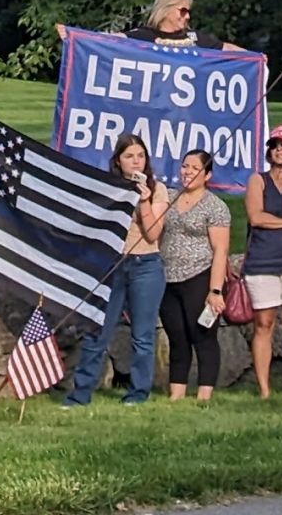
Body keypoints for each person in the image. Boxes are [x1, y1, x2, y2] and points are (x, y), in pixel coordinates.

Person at [62, 135, 168, 408]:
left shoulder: (158, 190)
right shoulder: (109, 188)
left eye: (141, 156)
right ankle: (80, 395)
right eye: (130, 156)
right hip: (112, 266)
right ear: (118, 161)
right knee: (97, 332)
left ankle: (137, 394)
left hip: (146, 266)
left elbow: (154, 232)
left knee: (143, 336)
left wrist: (144, 201)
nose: (136, 161)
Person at [158, 148, 231, 400]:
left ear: (207, 174)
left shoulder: (215, 207)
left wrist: (215, 290)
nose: (187, 172)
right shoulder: (169, 197)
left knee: (202, 336)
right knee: (177, 337)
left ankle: (204, 395)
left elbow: (221, 250)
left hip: (200, 276)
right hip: (168, 278)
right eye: (184, 166)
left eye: (194, 168)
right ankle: (176, 394)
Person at [244, 125, 282, 400]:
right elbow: (256, 217)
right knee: (264, 323)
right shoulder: (258, 180)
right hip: (263, 259)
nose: (279, 151)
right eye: (274, 146)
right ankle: (264, 390)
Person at [127, 0, 242, 50]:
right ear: (166, 10)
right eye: (183, 11)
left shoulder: (193, 37)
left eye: (188, 11)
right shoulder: (144, 36)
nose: (187, 16)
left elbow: (224, 48)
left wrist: (258, 59)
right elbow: (114, 42)